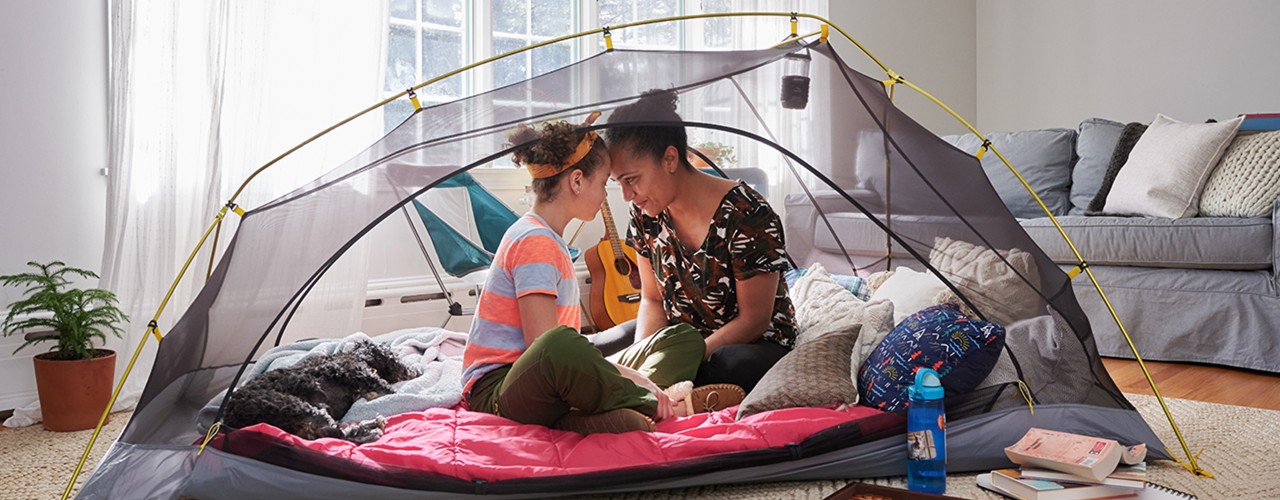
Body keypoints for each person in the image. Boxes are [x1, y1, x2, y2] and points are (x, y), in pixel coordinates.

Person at [461, 113, 707, 435]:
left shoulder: (549, 238)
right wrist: (639, 381)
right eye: (604, 183)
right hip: (501, 390)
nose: (607, 195)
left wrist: (635, 376)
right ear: (576, 181)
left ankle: (608, 409)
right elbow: (544, 349)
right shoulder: (534, 241)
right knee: (561, 344)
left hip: (549, 383)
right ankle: (652, 403)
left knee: (682, 337)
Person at [603, 89, 797, 394]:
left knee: (727, 366)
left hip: (747, 344)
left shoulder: (748, 213)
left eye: (631, 179)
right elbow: (653, 300)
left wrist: (673, 360)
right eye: (620, 183)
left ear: (669, 158)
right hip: (678, 336)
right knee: (597, 348)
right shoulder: (646, 214)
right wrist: (640, 359)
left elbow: (754, 321)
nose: (628, 195)